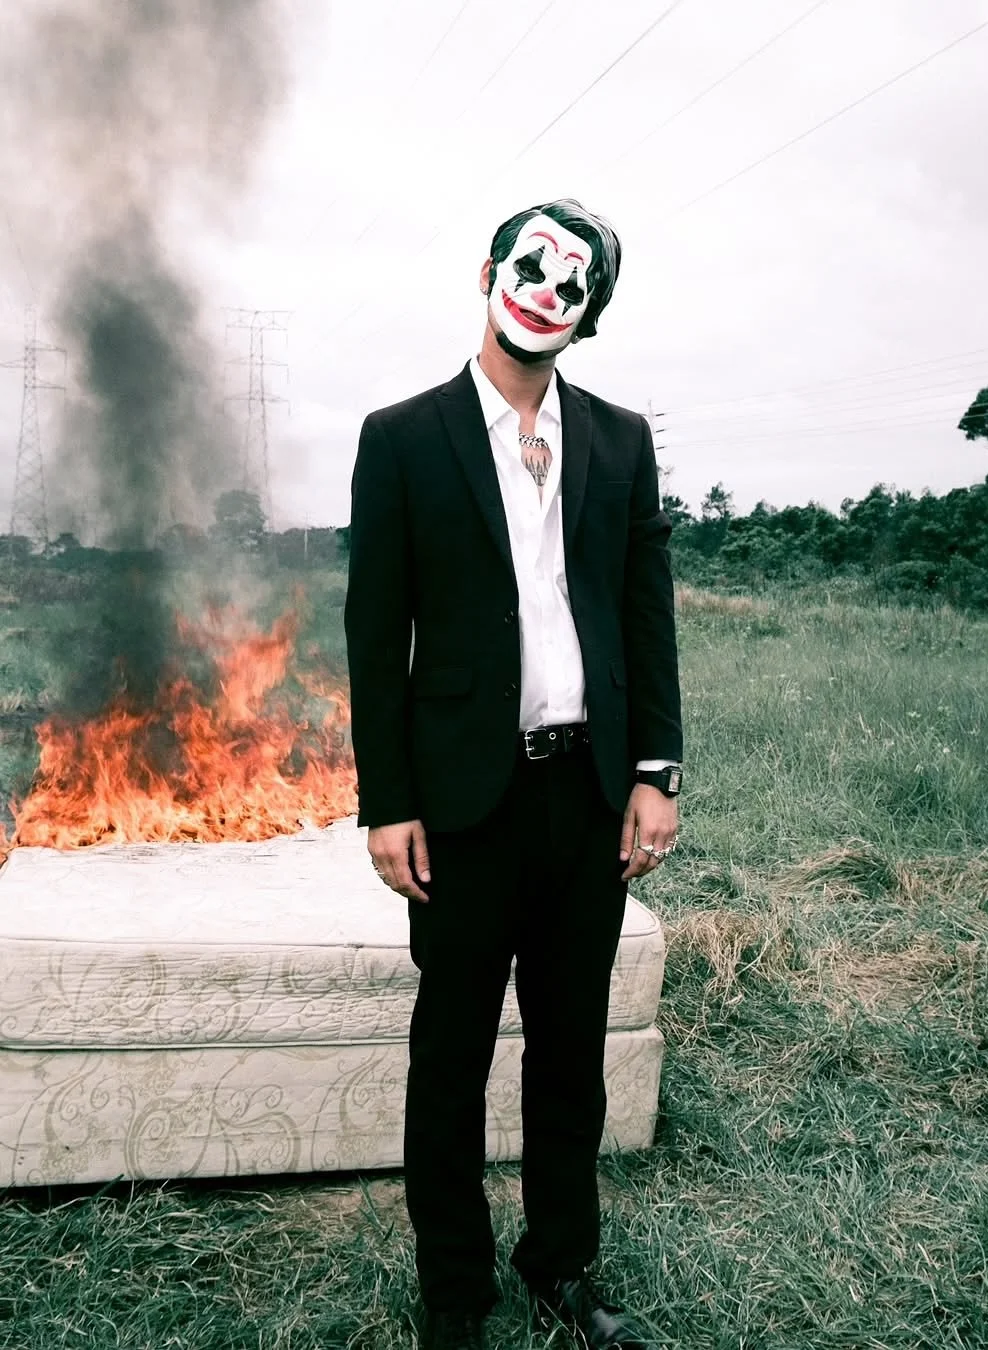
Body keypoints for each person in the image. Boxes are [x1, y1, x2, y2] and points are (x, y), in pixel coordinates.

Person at [344, 197, 683, 1350]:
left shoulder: (621, 441)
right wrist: (388, 802)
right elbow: (373, 632)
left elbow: (646, 614)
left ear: (590, 318)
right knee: (449, 1058)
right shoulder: (402, 437)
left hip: (588, 797)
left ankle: (562, 1268)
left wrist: (655, 772)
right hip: (461, 806)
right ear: (488, 272)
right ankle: (456, 1297)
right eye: (531, 265)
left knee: (570, 1054)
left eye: (574, 284)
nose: (547, 290)